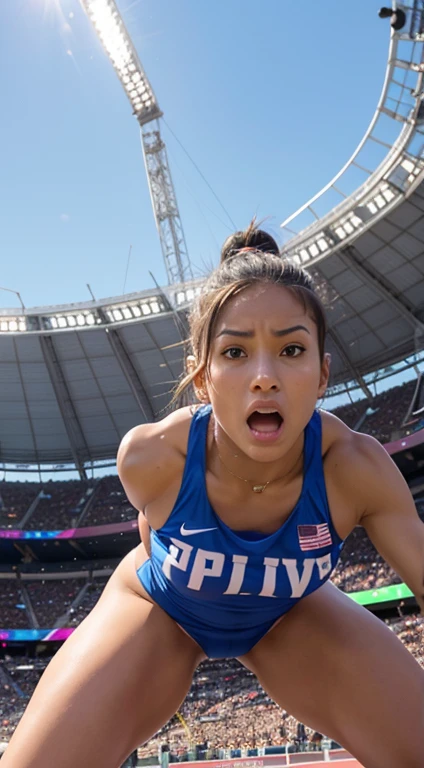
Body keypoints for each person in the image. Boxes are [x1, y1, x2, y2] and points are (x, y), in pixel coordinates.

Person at [2, 223, 424, 768]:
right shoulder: (152, 460)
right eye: (235, 352)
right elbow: (152, 538)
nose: (264, 377)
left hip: (288, 617)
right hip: (162, 610)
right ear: (201, 378)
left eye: (291, 349)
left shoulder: (356, 469)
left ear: (322, 375)